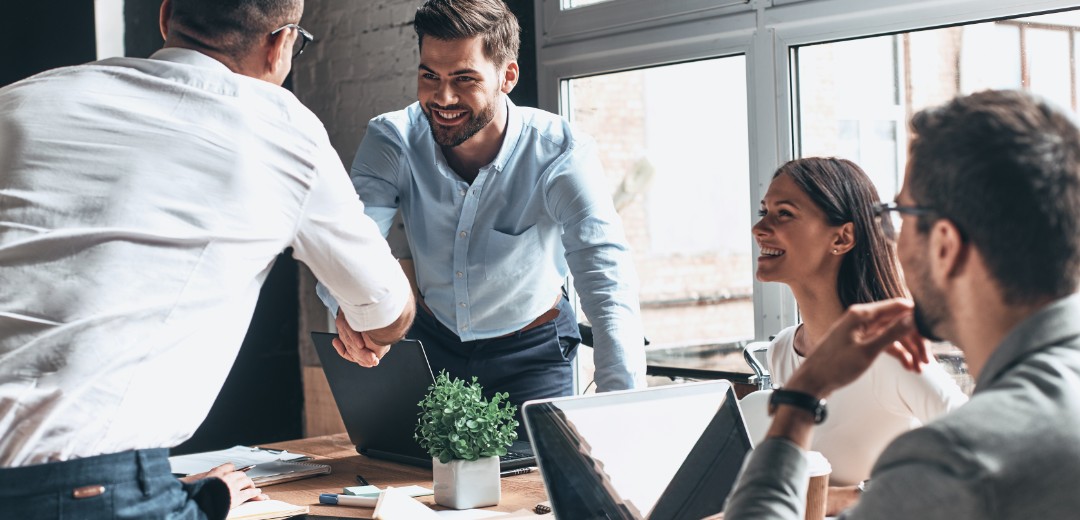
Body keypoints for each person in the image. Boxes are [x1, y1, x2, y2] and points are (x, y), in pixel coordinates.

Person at [0, 0, 415, 518]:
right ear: (279, 45)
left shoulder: (21, 101)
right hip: (87, 493)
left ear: (166, 15)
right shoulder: (279, 126)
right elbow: (384, 310)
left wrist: (162, 482)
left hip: (99, 477)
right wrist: (369, 320)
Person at [725, 89, 1080, 519]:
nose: (890, 236)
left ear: (945, 245)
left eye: (901, 215)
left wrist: (801, 397)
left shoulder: (956, 460)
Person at [317, 0, 646, 413]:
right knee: (413, 475)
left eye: (464, 78)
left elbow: (606, 277)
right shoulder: (393, 139)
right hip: (431, 342)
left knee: (540, 476)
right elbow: (350, 240)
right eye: (429, 76)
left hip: (531, 353)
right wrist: (346, 308)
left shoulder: (561, 154)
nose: (443, 96)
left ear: (506, 76)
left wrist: (622, 404)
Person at [752, 157, 967, 512]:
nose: (760, 228)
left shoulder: (890, 357)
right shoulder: (782, 350)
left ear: (842, 237)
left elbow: (984, 456)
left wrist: (844, 498)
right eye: (764, 211)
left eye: (784, 213)